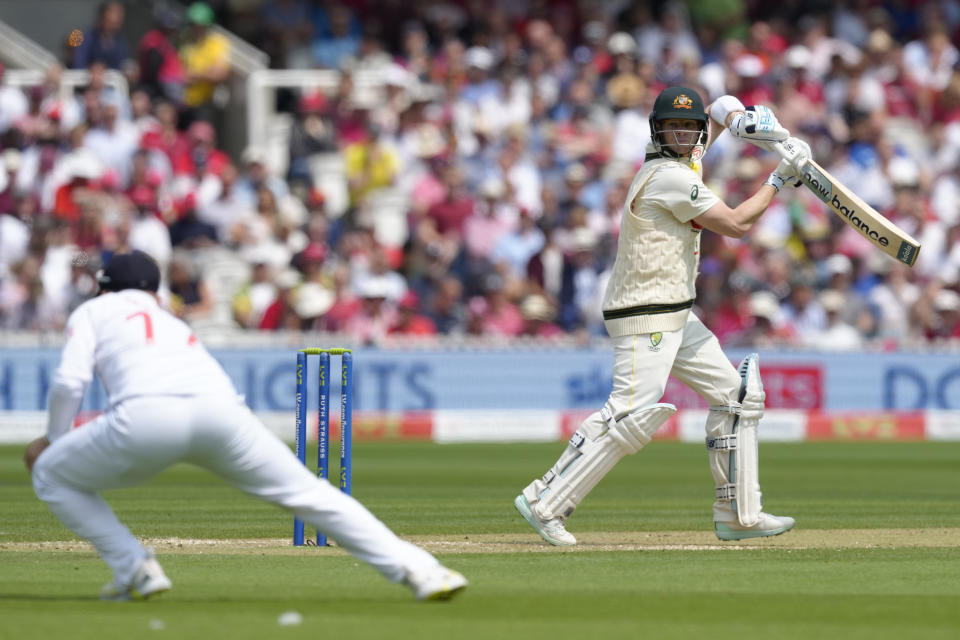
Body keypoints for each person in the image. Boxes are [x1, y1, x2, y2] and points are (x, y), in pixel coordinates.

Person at [23, 250, 467, 602]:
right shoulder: (170, 319)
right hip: (222, 414)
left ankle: (133, 566)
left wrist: (55, 440)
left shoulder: (92, 312)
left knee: (49, 473)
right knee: (311, 494)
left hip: (144, 419)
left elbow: (68, 381)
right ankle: (423, 571)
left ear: (103, 289)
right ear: (155, 292)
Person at [513, 87, 810, 545]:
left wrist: (736, 115)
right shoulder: (669, 175)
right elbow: (735, 225)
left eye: (693, 129)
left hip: (676, 311)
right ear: (658, 130)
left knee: (737, 398)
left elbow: (713, 109)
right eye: (677, 127)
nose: (689, 135)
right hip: (645, 313)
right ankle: (543, 501)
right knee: (629, 415)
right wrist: (780, 178)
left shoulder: (684, 159)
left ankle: (737, 515)